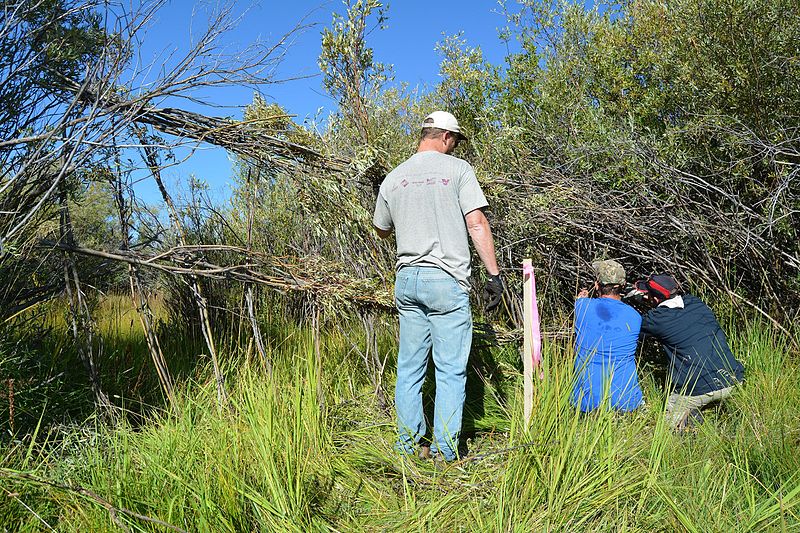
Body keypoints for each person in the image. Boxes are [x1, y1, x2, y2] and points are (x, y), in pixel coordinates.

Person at [372, 111, 503, 462]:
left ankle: (409, 445)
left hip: (407, 280)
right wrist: (494, 276)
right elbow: (476, 223)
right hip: (445, 279)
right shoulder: (458, 170)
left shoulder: (393, 178)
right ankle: (445, 450)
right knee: (449, 368)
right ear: (445, 136)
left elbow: (381, 230)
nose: (455, 146)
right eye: (456, 141)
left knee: (410, 367)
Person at [634, 274, 745, 429]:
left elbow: (634, 331)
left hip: (695, 389)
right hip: (732, 378)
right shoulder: (696, 302)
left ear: (656, 299)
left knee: (666, 427)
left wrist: (641, 304)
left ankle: (685, 429)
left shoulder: (656, 319)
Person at [571, 260, 644, 413]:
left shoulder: (581, 307)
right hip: (626, 401)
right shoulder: (635, 316)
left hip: (585, 402)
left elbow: (582, 304)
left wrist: (581, 299)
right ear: (623, 286)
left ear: (597, 285)